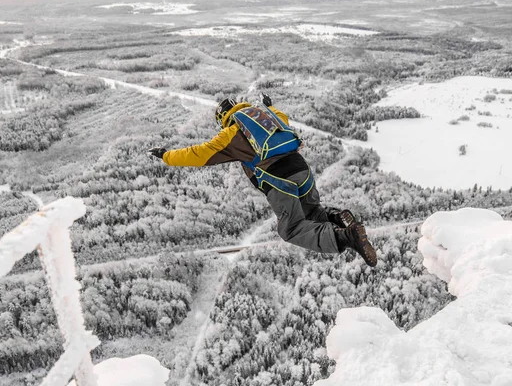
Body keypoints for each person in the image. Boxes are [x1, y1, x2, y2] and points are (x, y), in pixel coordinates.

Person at [148, 94, 377, 267]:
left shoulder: (231, 133)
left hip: (279, 178)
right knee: (312, 213)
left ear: (223, 119)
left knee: (292, 229)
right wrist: (269, 105)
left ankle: (347, 236)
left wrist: (167, 156)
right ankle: (337, 217)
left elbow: (199, 154)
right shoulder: (265, 116)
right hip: (302, 169)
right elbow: (283, 118)